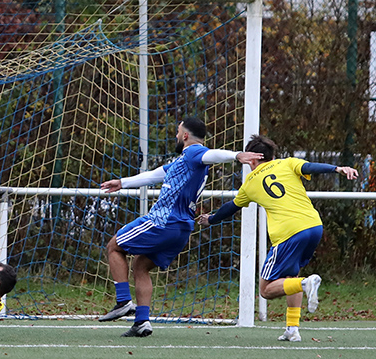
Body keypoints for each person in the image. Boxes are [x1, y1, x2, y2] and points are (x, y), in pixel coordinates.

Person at [96, 117, 261, 337]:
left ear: (185, 135)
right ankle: (142, 322)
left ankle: (123, 301)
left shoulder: (194, 153)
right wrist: (122, 182)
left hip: (163, 221)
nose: (175, 135)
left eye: (177, 131)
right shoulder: (182, 163)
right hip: (181, 229)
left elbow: (210, 154)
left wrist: (236, 156)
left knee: (114, 246)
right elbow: (153, 175)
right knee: (141, 265)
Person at [197, 135, 359, 342]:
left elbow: (231, 208)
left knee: (266, 289)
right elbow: (310, 167)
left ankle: (306, 284)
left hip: (288, 234)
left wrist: (211, 219)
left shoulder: (250, 183)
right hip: (314, 226)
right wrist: (337, 169)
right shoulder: (288, 163)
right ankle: (293, 328)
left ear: (254, 158)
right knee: (290, 278)